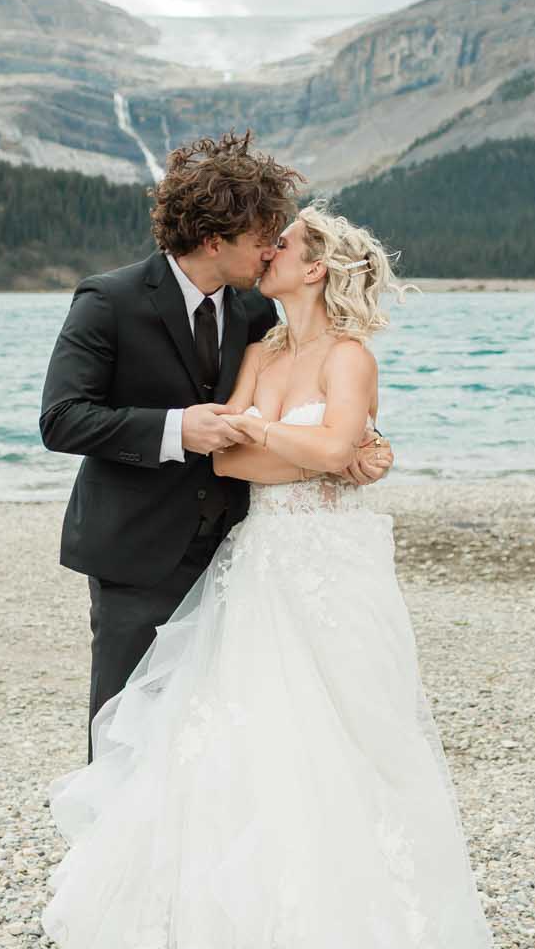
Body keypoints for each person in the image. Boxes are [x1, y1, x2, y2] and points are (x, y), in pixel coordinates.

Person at [40, 203, 492, 949]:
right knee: (249, 735)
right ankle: (236, 938)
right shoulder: (257, 342)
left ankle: (388, 940)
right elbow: (231, 455)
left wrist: (317, 444)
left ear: (316, 269)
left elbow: (331, 451)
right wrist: (314, 446)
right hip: (262, 559)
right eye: (264, 240)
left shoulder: (348, 354)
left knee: (359, 730)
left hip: (334, 564)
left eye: (283, 244)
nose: (269, 251)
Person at [39, 131, 393, 763]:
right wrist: (175, 429)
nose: (268, 252)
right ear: (214, 241)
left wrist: (363, 446)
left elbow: (316, 396)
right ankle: (110, 858)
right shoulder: (109, 300)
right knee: (123, 727)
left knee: (221, 737)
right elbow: (63, 419)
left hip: (240, 551)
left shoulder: (259, 317)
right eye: (262, 237)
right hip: (137, 549)